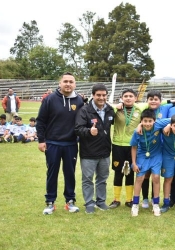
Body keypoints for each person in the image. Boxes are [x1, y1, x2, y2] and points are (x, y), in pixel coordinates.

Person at [36, 72, 84, 215]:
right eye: (65, 81)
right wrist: (41, 140)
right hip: (52, 143)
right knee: (52, 173)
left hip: (70, 144)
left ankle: (70, 201)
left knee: (70, 173)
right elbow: (41, 121)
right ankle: (50, 202)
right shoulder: (50, 99)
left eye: (71, 81)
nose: (68, 84)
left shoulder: (79, 101)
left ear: (75, 84)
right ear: (60, 83)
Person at [75, 84, 115, 214]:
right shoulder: (84, 110)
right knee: (87, 179)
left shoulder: (109, 109)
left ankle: (101, 201)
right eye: (98, 95)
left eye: (104, 95)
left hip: (105, 152)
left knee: (102, 179)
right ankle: (89, 203)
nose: (101, 98)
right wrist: (88, 131)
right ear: (93, 95)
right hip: (88, 153)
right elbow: (78, 129)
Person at [130, 109, 171, 217]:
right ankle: (135, 204)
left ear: (154, 121)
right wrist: (134, 163)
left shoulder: (158, 125)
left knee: (156, 177)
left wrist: (169, 125)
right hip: (143, 155)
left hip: (156, 155)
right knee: (139, 178)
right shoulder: (137, 131)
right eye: (145, 121)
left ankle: (156, 204)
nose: (147, 123)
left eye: (150, 121)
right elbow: (134, 147)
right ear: (141, 121)